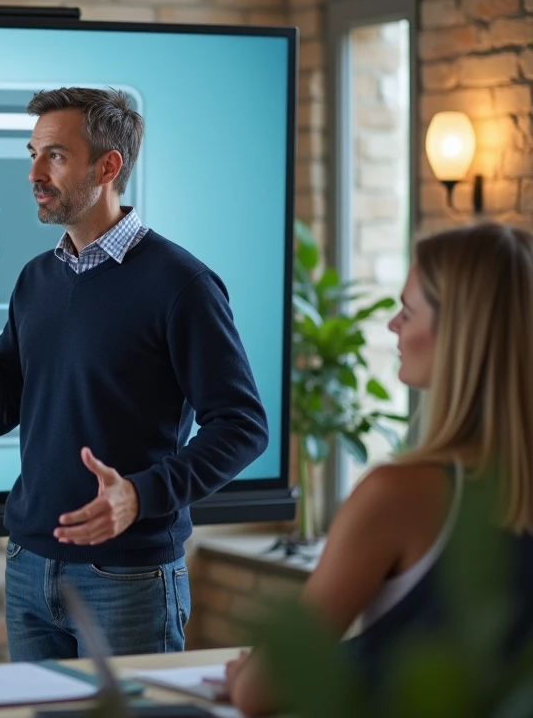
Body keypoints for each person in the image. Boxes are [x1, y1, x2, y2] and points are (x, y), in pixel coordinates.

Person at [0, 87, 269, 659]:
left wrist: (140, 495)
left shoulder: (182, 285)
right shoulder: (36, 280)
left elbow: (242, 426)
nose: (34, 172)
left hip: (127, 576)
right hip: (29, 566)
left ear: (108, 165)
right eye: (32, 153)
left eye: (54, 155)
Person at [226, 221, 533, 716]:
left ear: (458, 335)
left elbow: (260, 691)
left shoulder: (400, 494)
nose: (392, 326)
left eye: (408, 312)